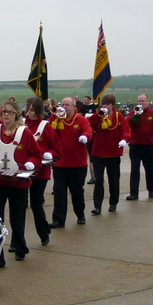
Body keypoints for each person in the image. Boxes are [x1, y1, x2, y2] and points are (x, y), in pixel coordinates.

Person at [0, 100, 41, 265]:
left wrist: (31, 163)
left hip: (19, 184)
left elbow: (36, 155)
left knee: (17, 219)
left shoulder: (25, 133)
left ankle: (20, 248)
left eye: (9, 112)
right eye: (4, 112)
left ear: (16, 114)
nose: (6, 115)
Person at [48, 97, 93, 228]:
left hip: (77, 164)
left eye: (66, 105)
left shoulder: (81, 120)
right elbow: (46, 127)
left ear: (74, 107)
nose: (63, 107)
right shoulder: (56, 119)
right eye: (62, 104)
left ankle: (80, 215)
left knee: (77, 192)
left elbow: (88, 130)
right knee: (59, 192)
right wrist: (54, 116)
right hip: (60, 164)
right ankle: (58, 220)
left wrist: (85, 136)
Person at [24, 97, 60, 247]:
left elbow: (57, 148)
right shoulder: (21, 125)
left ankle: (43, 232)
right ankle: (17, 241)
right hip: (22, 171)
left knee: (36, 203)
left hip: (40, 172)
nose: (31, 113)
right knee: (20, 207)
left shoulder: (46, 126)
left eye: (34, 110)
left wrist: (50, 154)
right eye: (29, 110)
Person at [86, 94, 131, 215]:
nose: (105, 106)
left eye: (107, 104)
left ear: (112, 105)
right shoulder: (99, 116)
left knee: (114, 180)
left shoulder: (119, 117)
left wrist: (124, 140)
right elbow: (89, 124)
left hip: (113, 154)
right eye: (103, 104)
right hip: (99, 153)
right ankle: (97, 206)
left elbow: (126, 131)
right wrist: (98, 114)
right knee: (98, 181)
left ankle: (113, 203)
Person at [126, 94, 153, 200]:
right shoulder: (134, 112)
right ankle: (134, 193)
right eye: (139, 101)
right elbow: (127, 124)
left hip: (149, 146)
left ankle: (151, 189)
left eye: (143, 101)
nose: (141, 103)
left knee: (150, 169)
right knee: (134, 169)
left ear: (148, 102)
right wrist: (135, 116)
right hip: (135, 145)